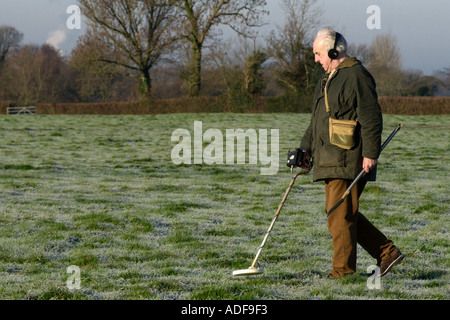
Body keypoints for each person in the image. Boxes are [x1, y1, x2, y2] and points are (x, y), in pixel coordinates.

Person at [299, 27, 404, 278]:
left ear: (333, 51)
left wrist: (370, 154)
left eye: (317, 54)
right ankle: (387, 252)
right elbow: (317, 121)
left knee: (339, 215)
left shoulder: (357, 76)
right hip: (329, 157)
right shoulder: (327, 79)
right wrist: (304, 149)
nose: (315, 59)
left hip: (348, 157)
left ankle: (342, 272)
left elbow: (371, 116)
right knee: (343, 214)